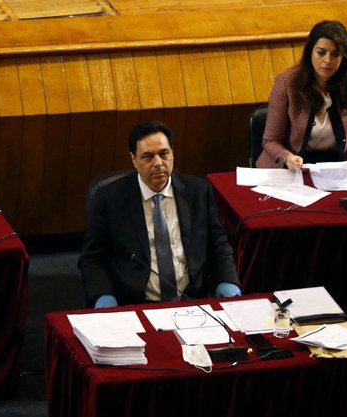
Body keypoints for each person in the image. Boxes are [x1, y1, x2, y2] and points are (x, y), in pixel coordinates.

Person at [78, 120, 241, 308]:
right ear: (133, 159)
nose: (158, 163)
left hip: (192, 300)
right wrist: (103, 296)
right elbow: (92, 259)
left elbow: (218, 245)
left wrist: (228, 282)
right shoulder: (109, 199)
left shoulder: (198, 191)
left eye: (164, 154)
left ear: (173, 153)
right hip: (134, 303)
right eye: (147, 157)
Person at [256, 20, 347, 171]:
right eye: (321, 52)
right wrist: (287, 157)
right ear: (310, 52)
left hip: (337, 168)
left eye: (335, 54)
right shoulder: (286, 84)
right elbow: (271, 140)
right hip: (292, 168)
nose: (327, 60)